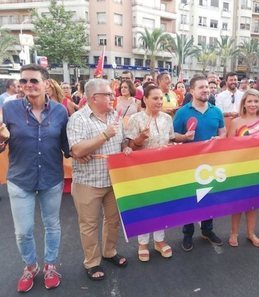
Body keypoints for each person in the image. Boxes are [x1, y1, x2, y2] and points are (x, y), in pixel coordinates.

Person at [0, 64, 69, 292]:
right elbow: (2, 145)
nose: (28, 85)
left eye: (33, 81)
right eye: (24, 81)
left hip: (51, 177)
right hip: (21, 179)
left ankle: (50, 265)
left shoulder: (60, 111)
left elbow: (67, 146)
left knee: (52, 225)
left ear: (46, 84)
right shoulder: (9, 110)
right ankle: (30, 267)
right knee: (23, 231)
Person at [67, 78, 130, 281]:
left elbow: (123, 139)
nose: (113, 97)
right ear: (94, 97)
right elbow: (77, 150)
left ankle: (109, 252)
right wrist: (105, 135)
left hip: (113, 180)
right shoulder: (78, 119)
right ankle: (92, 262)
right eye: (108, 94)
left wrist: (126, 146)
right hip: (88, 181)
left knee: (112, 221)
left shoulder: (115, 116)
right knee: (89, 224)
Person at [126, 85, 194, 261]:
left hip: (163, 169)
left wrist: (185, 137)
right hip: (142, 170)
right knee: (144, 204)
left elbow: (171, 137)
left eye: (160, 98)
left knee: (161, 205)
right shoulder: (136, 119)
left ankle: (159, 241)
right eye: (154, 98)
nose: (158, 101)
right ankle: (142, 243)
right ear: (145, 99)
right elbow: (130, 146)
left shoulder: (166, 118)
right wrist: (140, 139)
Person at [174, 74, 226, 251]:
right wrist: (184, 138)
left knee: (209, 197)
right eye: (201, 87)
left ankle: (207, 230)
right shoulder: (182, 112)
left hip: (211, 164)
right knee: (190, 198)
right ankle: (187, 234)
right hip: (189, 165)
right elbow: (172, 136)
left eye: (207, 87)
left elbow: (223, 133)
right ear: (192, 91)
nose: (206, 90)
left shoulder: (216, 111)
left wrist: (218, 139)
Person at [227, 89, 259, 247]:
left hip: (258, 169)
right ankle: (234, 233)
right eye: (250, 101)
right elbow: (229, 146)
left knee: (253, 203)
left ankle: (251, 233)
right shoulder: (236, 122)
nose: (253, 104)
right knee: (237, 203)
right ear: (244, 103)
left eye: (256, 101)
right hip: (240, 169)